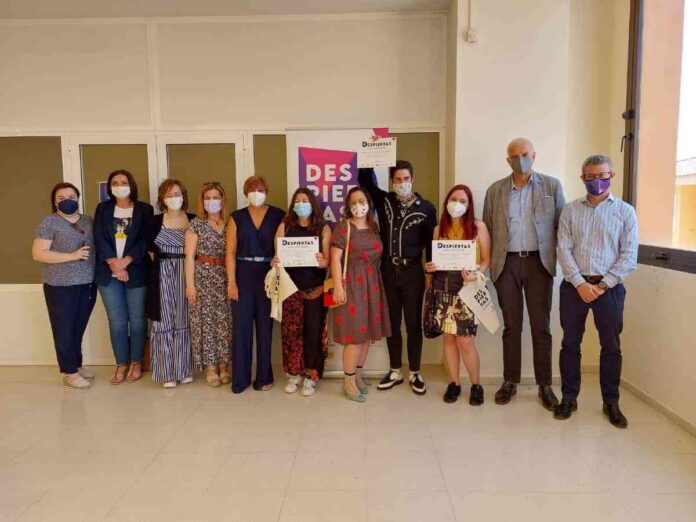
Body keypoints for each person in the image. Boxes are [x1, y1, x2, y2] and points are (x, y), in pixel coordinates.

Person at [554, 155, 638, 428]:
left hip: (609, 289)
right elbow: (563, 249)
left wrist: (602, 285)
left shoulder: (625, 212)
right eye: (590, 177)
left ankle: (611, 402)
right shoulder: (570, 210)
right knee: (570, 344)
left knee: (611, 346)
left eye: (602, 176)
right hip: (573, 288)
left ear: (612, 176)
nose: (596, 181)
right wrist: (580, 283)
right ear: (583, 178)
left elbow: (629, 255)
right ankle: (569, 398)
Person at [482, 138, 565, 410]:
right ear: (508, 160)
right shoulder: (495, 190)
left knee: (541, 327)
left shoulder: (552, 186)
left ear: (534, 156)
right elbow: (487, 230)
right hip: (506, 264)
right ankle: (510, 381)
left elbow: (561, 226)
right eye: (515, 156)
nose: (521, 159)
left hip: (539, 264)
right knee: (511, 326)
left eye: (525, 154)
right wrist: (487, 266)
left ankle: (545, 384)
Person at [358, 162, 437, 395]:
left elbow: (431, 244)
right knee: (392, 323)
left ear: (412, 179)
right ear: (392, 181)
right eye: (398, 180)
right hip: (388, 270)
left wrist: (430, 273)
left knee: (413, 324)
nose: (402, 183)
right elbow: (364, 182)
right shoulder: (385, 201)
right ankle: (395, 370)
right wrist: (372, 157)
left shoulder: (426, 208)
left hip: (413, 272)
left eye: (406, 179)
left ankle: (415, 371)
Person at [425, 185, 491, 405]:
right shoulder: (438, 229)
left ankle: (476, 385)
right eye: (453, 199)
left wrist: (476, 274)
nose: (457, 204)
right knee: (449, 339)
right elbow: (434, 261)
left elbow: (486, 261)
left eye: (463, 201)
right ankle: (454, 383)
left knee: (466, 341)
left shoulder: (478, 227)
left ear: (469, 205)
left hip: (468, 287)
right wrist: (430, 268)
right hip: (442, 286)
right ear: (447, 202)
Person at [32, 183, 97, 390]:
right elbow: (38, 253)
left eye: (71, 196)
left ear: (78, 198)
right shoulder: (49, 222)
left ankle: (77, 365)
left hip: (87, 283)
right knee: (64, 329)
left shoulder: (88, 221)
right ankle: (69, 372)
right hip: (60, 285)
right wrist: (72, 256)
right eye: (61, 198)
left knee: (78, 327)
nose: (67, 200)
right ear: (54, 201)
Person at [330, 187, 392, 402]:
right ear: (348, 206)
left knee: (366, 336)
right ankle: (347, 381)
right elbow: (335, 259)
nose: (358, 205)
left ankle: (357, 375)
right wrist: (338, 287)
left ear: (368, 203)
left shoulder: (374, 227)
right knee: (354, 336)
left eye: (362, 201)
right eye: (354, 202)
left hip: (372, 284)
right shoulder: (344, 227)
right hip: (352, 285)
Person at [93, 170, 153, 385]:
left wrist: (126, 261)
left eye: (124, 182)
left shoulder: (145, 209)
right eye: (115, 182)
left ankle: (136, 362)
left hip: (136, 270)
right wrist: (114, 264)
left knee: (137, 320)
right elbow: (99, 238)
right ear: (110, 187)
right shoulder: (103, 209)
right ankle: (121, 363)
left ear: (131, 184)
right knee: (117, 321)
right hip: (108, 272)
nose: (120, 185)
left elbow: (146, 240)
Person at [226, 175, 284, 393]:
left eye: (260, 189)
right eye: (251, 189)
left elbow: (282, 247)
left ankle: (264, 376)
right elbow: (230, 252)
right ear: (245, 192)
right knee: (241, 327)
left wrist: (278, 261)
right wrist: (231, 282)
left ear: (266, 191)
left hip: (268, 274)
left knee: (265, 326)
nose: (256, 193)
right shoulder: (236, 218)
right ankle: (240, 379)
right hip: (243, 273)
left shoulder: (278, 215)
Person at [272, 188, 331, 396]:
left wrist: (321, 261)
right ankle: (293, 374)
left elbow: (327, 262)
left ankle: (311, 376)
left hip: (315, 289)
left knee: (314, 333)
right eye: (297, 201)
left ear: (312, 204)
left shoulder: (323, 229)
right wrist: (275, 261)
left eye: (305, 201)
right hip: (290, 289)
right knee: (291, 333)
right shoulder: (285, 227)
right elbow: (277, 257)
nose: (301, 205)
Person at [145, 179, 196, 388]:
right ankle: (167, 372)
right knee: (164, 322)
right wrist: (165, 267)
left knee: (185, 319)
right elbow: (150, 251)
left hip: (187, 274)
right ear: (162, 199)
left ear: (183, 196)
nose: (174, 198)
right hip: (162, 275)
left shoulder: (193, 220)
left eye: (177, 194)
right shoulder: (154, 222)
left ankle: (184, 369)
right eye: (169, 195)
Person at [185, 182, 233, 387]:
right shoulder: (196, 224)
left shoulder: (230, 223)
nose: (211, 201)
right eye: (207, 198)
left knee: (225, 321)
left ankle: (224, 365)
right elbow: (189, 257)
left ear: (223, 200)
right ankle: (211, 366)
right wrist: (190, 285)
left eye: (216, 197)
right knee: (205, 322)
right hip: (203, 277)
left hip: (225, 277)